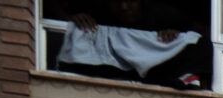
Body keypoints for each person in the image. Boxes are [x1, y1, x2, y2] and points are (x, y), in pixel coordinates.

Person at [55, 0, 207, 88]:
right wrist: (71, 18)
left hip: (156, 73)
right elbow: (50, 10)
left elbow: (202, 31)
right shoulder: (98, 11)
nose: (124, 7)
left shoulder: (161, 13)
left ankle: (185, 77)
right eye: (117, 1)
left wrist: (178, 34)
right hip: (109, 71)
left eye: (129, 0)